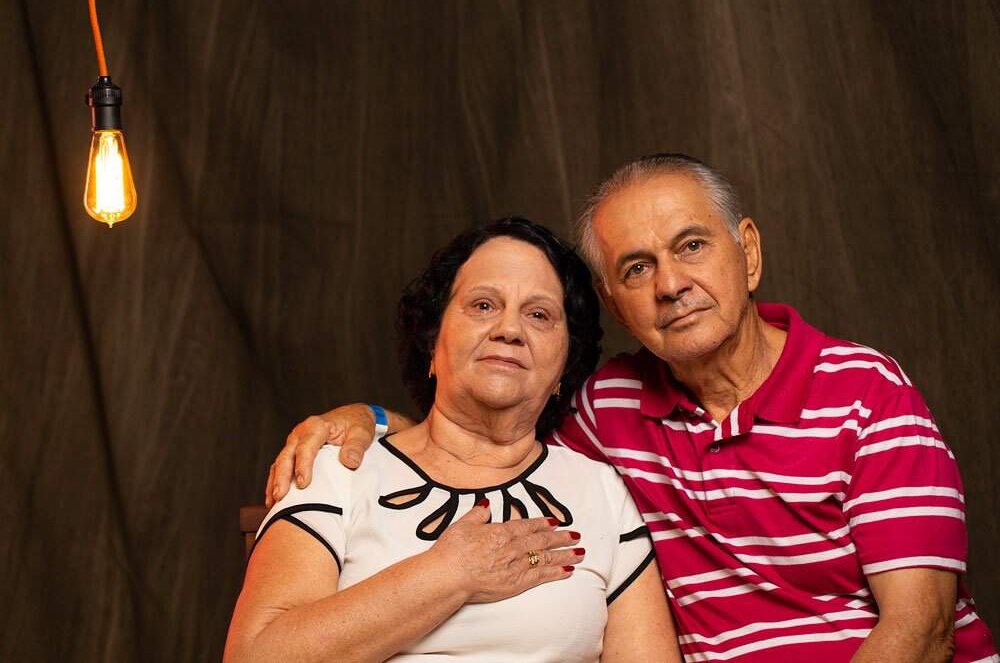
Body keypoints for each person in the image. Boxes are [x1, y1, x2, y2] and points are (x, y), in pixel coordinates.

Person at [269, 154, 998, 662]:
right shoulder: (607, 412)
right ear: (616, 305)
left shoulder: (866, 391)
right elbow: (481, 427)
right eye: (637, 267)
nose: (671, 285)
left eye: (692, 246)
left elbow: (922, 631)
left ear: (747, 252)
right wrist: (369, 420)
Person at [226, 218, 680, 662]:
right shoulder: (337, 470)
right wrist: (449, 575)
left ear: (565, 363)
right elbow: (254, 656)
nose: (509, 330)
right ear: (432, 340)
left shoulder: (603, 490)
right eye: (483, 305)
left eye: (539, 315)